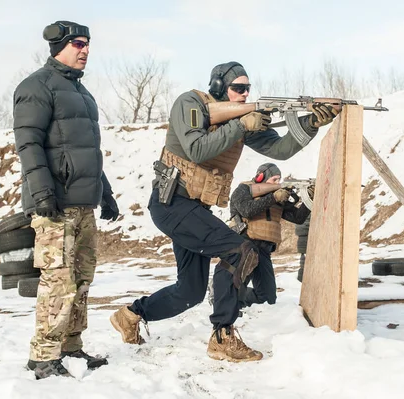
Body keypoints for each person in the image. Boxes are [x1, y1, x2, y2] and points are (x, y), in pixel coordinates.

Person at [109, 61, 337, 362]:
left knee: (189, 292)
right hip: (171, 202)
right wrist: (241, 124)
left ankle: (130, 314)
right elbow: (196, 150)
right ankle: (222, 336)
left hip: (194, 209)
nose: (244, 95)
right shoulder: (190, 103)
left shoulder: (242, 119)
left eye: (248, 89)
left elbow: (280, 150)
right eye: (238, 89)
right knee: (241, 251)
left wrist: (310, 124)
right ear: (219, 87)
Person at [13, 20, 120, 380]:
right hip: (54, 203)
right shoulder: (37, 87)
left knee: (82, 277)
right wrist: (41, 191)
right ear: (58, 45)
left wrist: (104, 192)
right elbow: (28, 144)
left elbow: (87, 151)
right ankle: (43, 356)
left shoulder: (82, 93)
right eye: (78, 43)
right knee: (58, 280)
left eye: (88, 43)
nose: (85, 49)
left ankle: (71, 346)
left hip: (83, 202)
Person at [229, 163, 311, 307]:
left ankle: (236, 299)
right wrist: (274, 197)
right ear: (261, 177)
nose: (277, 183)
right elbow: (247, 210)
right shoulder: (244, 190)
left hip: (264, 250)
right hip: (245, 245)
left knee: (267, 297)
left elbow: (298, 218)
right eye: (274, 179)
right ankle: (227, 300)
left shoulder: (276, 196)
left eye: (279, 179)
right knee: (234, 287)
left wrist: (309, 197)